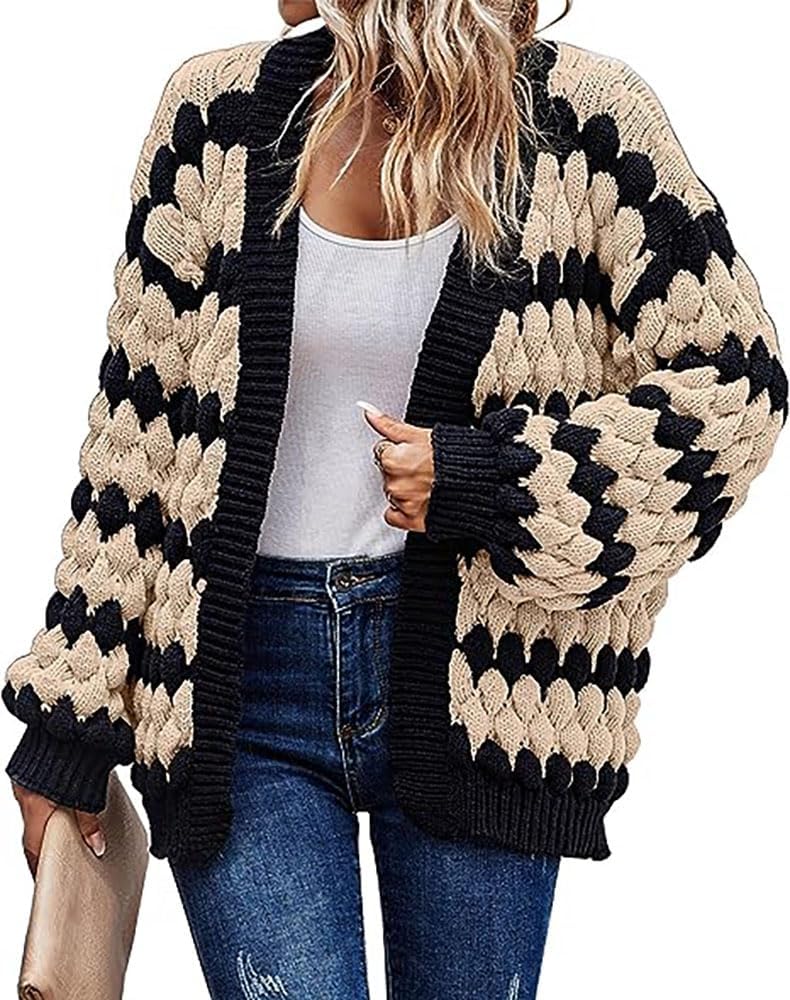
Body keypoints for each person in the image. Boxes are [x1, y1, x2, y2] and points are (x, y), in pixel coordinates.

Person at [4, 1, 785, 997]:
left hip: (491, 684)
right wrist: (65, 726)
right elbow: (138, 437)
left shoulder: (588, 124)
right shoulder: (214, 115)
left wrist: (497, 483)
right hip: (237, 690)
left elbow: (736, 386)